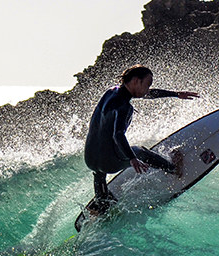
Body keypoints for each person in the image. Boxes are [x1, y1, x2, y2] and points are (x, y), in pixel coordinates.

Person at [84, 65, 199, 209]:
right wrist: (132, 158)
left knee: (100, 171)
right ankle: (173, 169)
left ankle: (101, 202)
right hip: (109, 162)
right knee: (140, 152)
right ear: (136, 81)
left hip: (90, 159)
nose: (148, 89)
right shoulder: (124, 107)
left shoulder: (111, 93)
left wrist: (176, 94)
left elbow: (148, 94)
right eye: (147, 84)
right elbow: (118, 134)